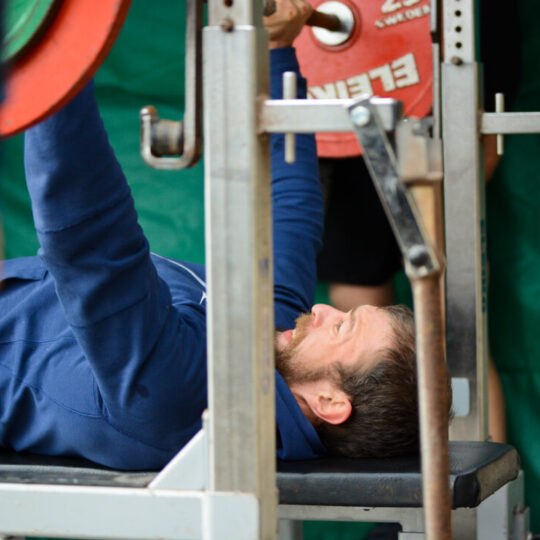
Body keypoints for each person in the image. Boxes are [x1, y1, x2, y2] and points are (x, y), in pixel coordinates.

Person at [0, 0, 418, 471]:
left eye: (341, 328)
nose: (321, 310)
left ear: (329, 401)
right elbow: (289, 211)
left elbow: (88, 239)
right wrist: (276, 51)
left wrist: (57, 53)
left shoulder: (181, 397)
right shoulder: (271, 354)